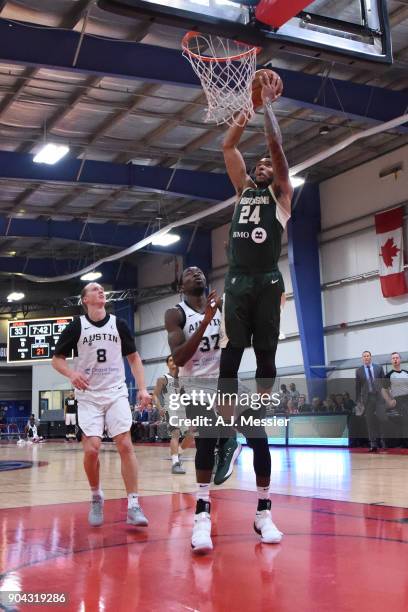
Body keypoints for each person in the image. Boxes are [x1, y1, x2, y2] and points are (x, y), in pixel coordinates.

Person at [214, 70, 292, 549]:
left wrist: (268, 110)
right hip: (239, 283)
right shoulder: (243, 191)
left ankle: (253, 418)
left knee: (265, 361)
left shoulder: (281, 196)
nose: (262, 165)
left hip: (268, 283)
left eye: (267, 164)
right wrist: (245, 109)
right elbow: (228, 150)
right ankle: (225, 428)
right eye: (258, 164)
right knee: (229, 358)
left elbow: (280, 154)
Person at [52, 282, 150, 528]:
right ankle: (96, 496)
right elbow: (57, 360)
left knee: (125, 444)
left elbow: (134, 358)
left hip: (115, 392)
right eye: (94, 289)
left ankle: (134, 504)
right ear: (85, 299)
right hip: (88, 395)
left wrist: (141, 388)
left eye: (101, 289)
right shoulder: (77, 326)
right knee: (91, 449)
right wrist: (72, 374)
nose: (100, 291)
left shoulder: (119, 324)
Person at [165, 266, 240, 553]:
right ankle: (201, 516)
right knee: (204, 444)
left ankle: (230, 443)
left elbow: (237, 341)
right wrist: (207, 320)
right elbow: (180, 357)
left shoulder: (220, 307)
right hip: (194, 384)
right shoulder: (176, 314)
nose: (196, 274)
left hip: (222, 381)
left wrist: (225, 315)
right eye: (188, 273)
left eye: (199, 272)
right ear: (181, 286)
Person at [153, 355, 195, 474]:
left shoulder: (184, 378)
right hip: (170, 409)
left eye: (175, 360)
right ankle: (175, 463)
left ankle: (178, 452)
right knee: (175, 433)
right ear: (167, 364)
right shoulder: (163, 379)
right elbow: (155, 395)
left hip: (184, 410)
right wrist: (160, 408)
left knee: (191, 434)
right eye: (170, 360)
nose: (173, 362)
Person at [355, 350, 386, 452]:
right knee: (370, 422)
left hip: (379, 397)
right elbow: (357, 387)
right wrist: (358, 401)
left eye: (368, 356)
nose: (366, 358)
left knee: (382, 418)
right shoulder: (359, 371)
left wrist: (388, 396)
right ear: (362, 358)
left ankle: (383, 441)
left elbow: (385, 383)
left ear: (371, 357)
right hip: (367, 399)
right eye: (364, 356)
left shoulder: (379, 368)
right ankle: (373, 445)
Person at [382, 352, 408, 448]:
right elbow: (384, 390)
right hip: (399, 400)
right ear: (391, 361)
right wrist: (389, 400)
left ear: (400, 359)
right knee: (405, 420)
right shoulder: (389, 375)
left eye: (397, 357)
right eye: (393, 358)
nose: (395, 359)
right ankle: (404, 444)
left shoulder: (406, 373)